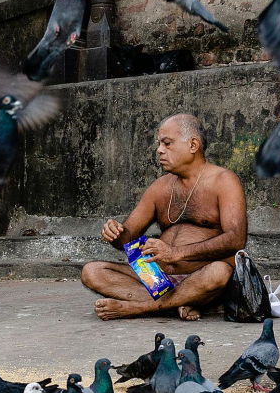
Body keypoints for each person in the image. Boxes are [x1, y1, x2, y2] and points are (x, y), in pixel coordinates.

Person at [81, 113, 248, 320]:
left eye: (167, 143)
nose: (160, 150)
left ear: (193, 145)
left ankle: (137, 308)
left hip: (201, 276)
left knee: (219, 273)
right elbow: (128, 238)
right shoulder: (160, 187)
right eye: (160, 144)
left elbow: (235, 240)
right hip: (158, 281)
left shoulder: (224, 181)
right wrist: (116, 232)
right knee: (92, 272)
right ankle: (178, 303)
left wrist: (175, 253)